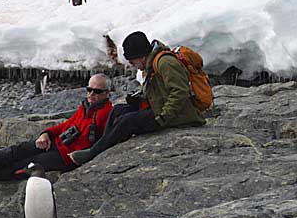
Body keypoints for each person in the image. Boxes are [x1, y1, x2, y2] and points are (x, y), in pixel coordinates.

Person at [0, 74, 113, 189]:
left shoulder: (106, 113)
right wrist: (47, 133)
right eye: (89, 89)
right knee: (11, 152)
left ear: (107, 93)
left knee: (19, 167)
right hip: (53, 144)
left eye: (96, 91)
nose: (91, 94)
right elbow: (65, 125)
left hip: (63, 157)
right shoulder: (86, 106)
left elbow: (99, 142)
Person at [69, 31, 206, 165]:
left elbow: (180, 92)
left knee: (127, 121)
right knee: (118, 110)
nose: (132, 65)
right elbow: (159, 90)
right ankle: (100, 147)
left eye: (132, 61)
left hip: (178, 114)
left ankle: (93, 153)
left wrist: (163, 118)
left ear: (141, 56)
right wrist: (140, 98)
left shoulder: (165, 63)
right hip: (160, 108)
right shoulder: (152, 62)